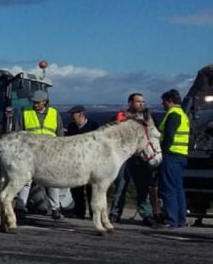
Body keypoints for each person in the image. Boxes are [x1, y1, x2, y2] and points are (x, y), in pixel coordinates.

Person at [15, 90, 65, 219]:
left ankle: (55, 208)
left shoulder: (54, 113)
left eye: (38, 102)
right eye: (34, 102)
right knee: (26, 180)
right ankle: (20, 207)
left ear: (45, 102)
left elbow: (59, 132)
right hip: (30, 152)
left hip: (50, 152)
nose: (35, 105)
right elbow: (19, 132)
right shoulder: (25, 113)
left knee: (52, 180)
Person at [109, 93, 155, 225]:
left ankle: (147, 215)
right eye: (138, 101)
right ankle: (115, 213)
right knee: (120, 186)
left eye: (143, 102)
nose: (141, 104)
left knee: (142, 187)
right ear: (130, 103)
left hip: (140, 157)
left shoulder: (148, 117)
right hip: (124, 156)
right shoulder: (121, 116)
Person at [157, 89, 189, 228]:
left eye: (163, 101)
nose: (162, 104)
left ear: (170, 100)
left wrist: (161, 153)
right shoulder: (183, 114)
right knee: (177, 189)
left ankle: (171, 220)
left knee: (168, 188)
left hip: (171, 155)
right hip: (181, 154)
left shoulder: (173, 114)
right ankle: (180, 220)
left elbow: (168, 137)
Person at [64, 106, 99, 219]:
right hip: (75, 162)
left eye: (73, 114)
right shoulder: (71, 127)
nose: (71, 117)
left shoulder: (93, 126)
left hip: (91, 162)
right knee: (76, 188)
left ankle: (94, 212)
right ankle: (79, 211)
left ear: (80, 114)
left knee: (91, 189)